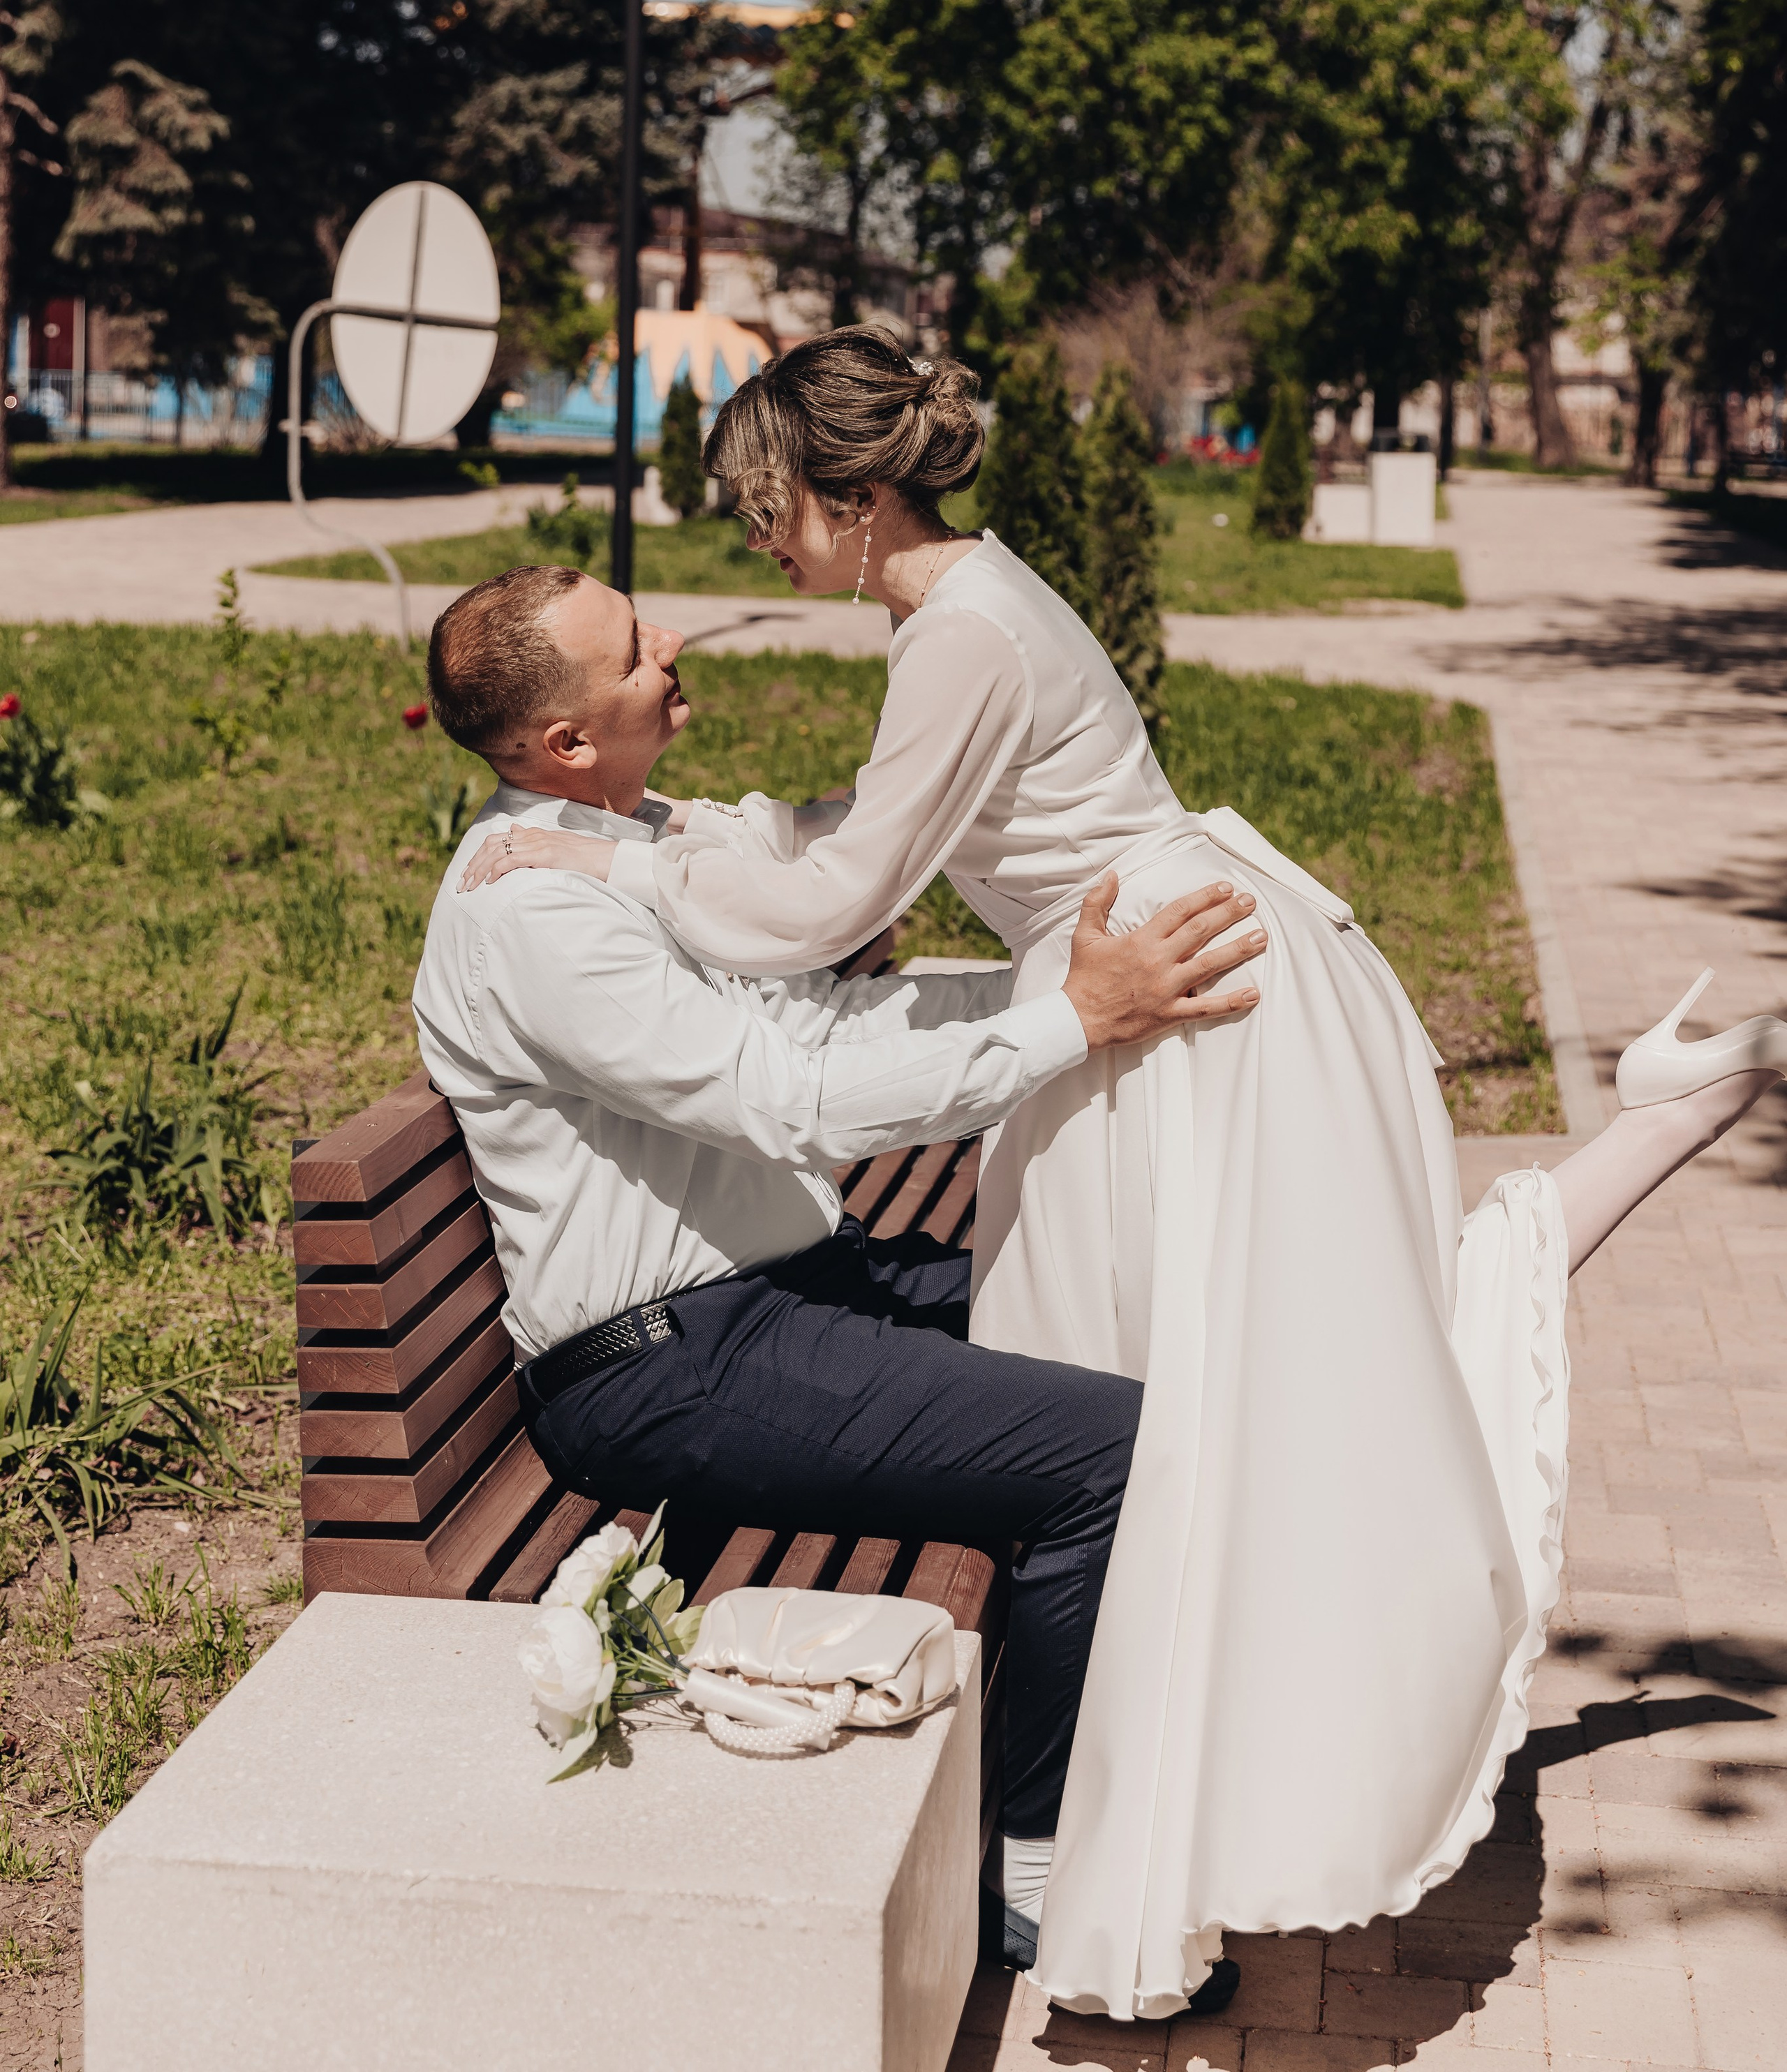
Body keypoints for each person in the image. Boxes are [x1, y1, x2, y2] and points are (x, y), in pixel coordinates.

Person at [460, 326, 1787, 2025]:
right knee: (1246, 1382)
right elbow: (846, 844)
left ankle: (1136, 1831)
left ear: (845, 498)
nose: (750, 542)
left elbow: (828, 909)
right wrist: (664, 838)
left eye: (763, 505)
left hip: (1167, 1008)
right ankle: (1653, 1124)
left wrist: (620, 858)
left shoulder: (955, 636)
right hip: (1163, 981)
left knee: (1215, 1403)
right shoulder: (960, 606)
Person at [410, 557, 1266, 2013]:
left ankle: (1183, 1762)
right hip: (664, 1368)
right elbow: (786, 1099)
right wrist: (1070, 1020)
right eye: (635, 646)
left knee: (1127, 1313)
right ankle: (1040, 1870)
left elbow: (822, 1017)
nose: (673, 639)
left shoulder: (637, 839)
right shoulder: (533, 917)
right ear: (565, 741)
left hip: (783, 1299)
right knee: (1111, 1453)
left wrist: (1069, 993)